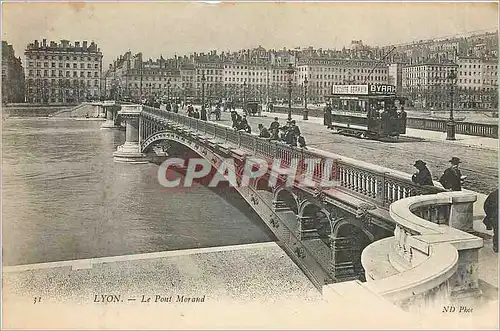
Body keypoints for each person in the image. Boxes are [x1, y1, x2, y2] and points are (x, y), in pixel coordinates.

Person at [483, 189, 498, 253]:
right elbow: (487, 206)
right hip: (496, 217)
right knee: (497, 232)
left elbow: (486, 206)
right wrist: (491, 216)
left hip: (495, 217)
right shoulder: (494, 194)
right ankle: (496, 246)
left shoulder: (494, 194)